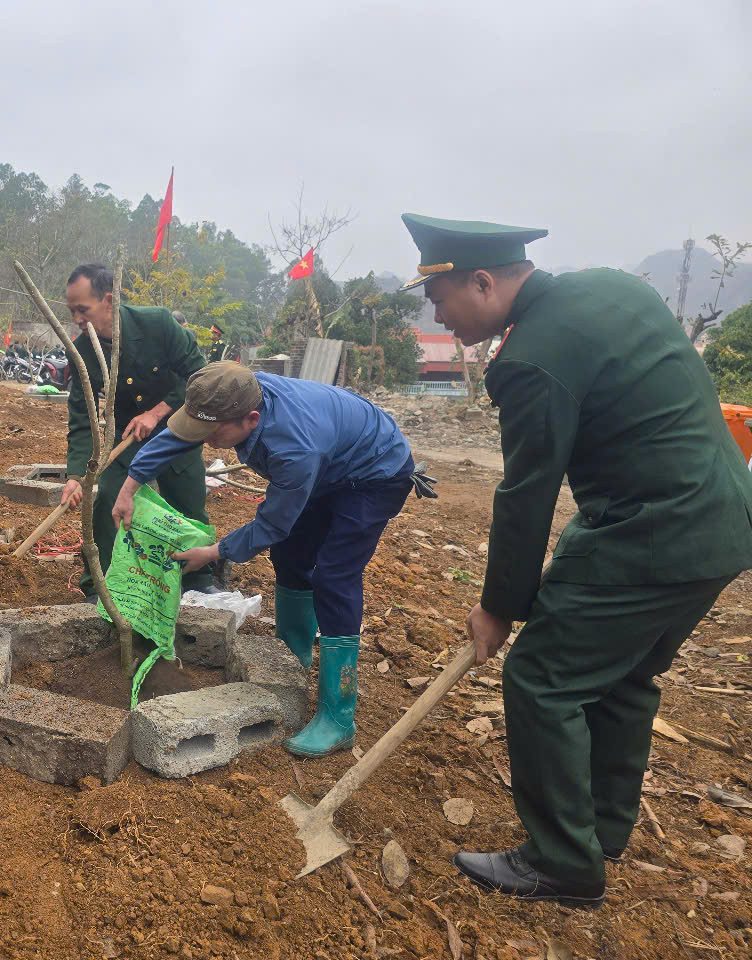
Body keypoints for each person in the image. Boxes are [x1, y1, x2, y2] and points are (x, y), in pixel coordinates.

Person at [399, 213, 752, 909]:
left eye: (440, 299)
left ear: (481, 280)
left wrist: (500, 606)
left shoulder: (529, 358)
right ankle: (602, 829)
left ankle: (562, 862)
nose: (436, 312)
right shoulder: (614, 289)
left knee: (541, 678)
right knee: (622, 674)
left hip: (653, 533)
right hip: (726, 521)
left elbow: (527, 494)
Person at [111, 362, 414, 754]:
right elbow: (177, 436)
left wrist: (215, 553)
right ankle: (292, 658)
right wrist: (129, 486)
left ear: (251, 419)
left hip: (375, 473)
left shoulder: (294, 448)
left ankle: (339, 717)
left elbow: (273, 523)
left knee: (334, 576)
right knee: (290, 557)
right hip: (330, 464)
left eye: (212, 433)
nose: (203, 440)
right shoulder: (231, 391)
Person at [61, 263, 214, 596]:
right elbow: (81, 416)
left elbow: (200, 376)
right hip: (127, 438)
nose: (77, 319)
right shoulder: (83, 351)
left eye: (82, 310)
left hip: (177, 429)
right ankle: (100, 585)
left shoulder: (157, 323)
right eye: (71, 311)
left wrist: (157, 412)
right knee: (107, 502)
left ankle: (197, 584)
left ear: (108, 300)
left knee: (187, 502)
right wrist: (76, 475)